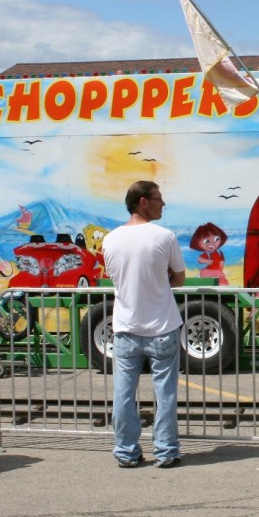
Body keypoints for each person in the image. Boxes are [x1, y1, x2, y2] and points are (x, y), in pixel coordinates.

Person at [102, 181, 186, 469]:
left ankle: (126, 451)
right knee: (165, 395)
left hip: (126, 328)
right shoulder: (164, 237)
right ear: (143, 201)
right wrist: (160, 281)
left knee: (123, 396)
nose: (163, 203)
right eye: (158, 198)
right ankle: (166, 451)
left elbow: (115, 277)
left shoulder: (110, 240)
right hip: (162, 327)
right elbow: (179, 278)